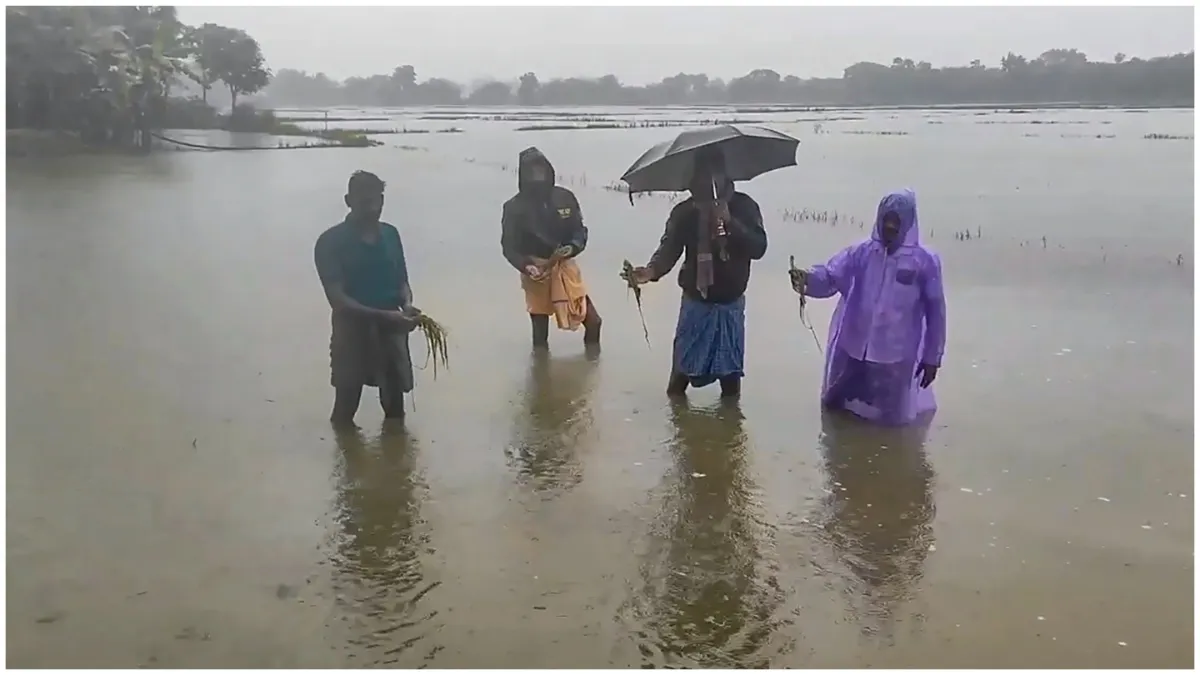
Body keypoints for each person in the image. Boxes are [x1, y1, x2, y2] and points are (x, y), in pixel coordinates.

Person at [790, 188, 947, 426]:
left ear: (908, 222)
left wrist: (932, 358)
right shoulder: (861, 253)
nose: (891, 227)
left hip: (895, 357)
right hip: (852, 350)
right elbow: (831, 276)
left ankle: (888, 459)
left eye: (897, 222)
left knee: (891, 424)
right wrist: (807, 280)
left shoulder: (924, 263)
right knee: (836, 411)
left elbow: (936, 313)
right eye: (887, 220)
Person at [622, 147, 768, 398]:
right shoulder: (685, 212)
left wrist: (730, 222)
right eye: (702, 174)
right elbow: (669, 249)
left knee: (730, 380)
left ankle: (728, 433)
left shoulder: (744, 206)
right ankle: (678, 430)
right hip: (696, 303)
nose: (709, 180)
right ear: (693, 178)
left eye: (714, 173)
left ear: (725, 175)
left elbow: (759, 247)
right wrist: (651, 271)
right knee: (680, 377)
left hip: (730, 304)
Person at [315, 170, 419, 426]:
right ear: (348, 201)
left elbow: (402, 281)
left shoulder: (391, 234)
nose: (373, 209)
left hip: (393, 328)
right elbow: (337, 299)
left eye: (377, 201)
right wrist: (385, 316)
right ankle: (346, 459)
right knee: (346, 405)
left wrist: (406, 305)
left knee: (395, 408)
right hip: (352, 330)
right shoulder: (330, 242)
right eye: (365, 203)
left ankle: (395, 462)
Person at [501, 147, 602, 350]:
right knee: (540, 333)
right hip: (536, 271)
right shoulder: (514, 207)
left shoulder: (565, 198)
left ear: (548, 169)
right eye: (531, 171)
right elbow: (509, 247)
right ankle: (541, 373)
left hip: (565, 264)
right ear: (523, 174)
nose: (537, 174)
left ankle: (592, 362)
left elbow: (580, 231)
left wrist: (572, 248)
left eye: (540, 169)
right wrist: (526, 266)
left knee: (593, 321)